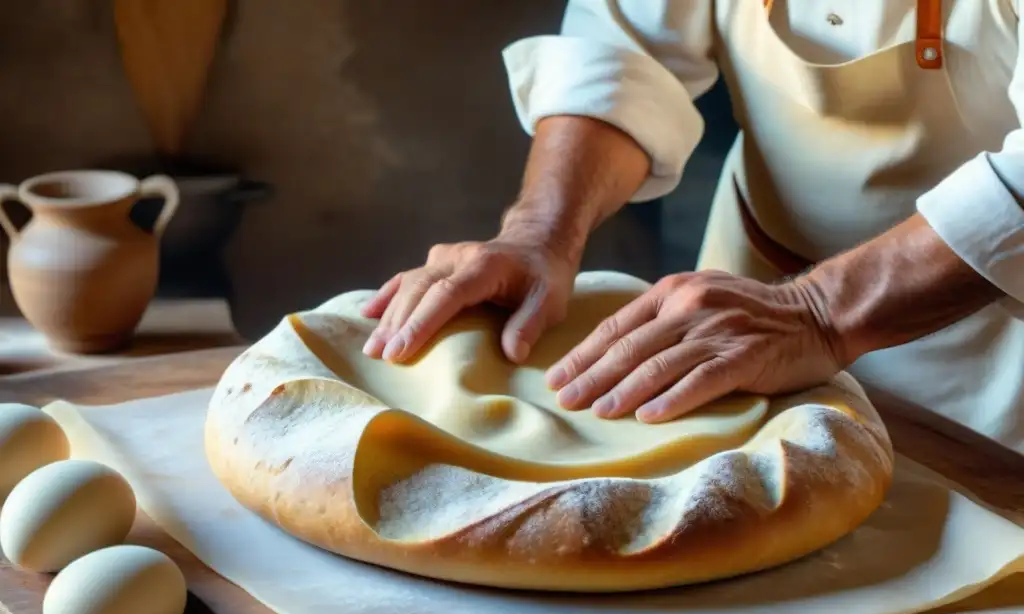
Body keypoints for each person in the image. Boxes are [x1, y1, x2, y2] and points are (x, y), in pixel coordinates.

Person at [361, 0, 1024, 450]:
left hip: (993, 333)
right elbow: (625, 47)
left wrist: (821, 311)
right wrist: (542, 229)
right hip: (756, 291)